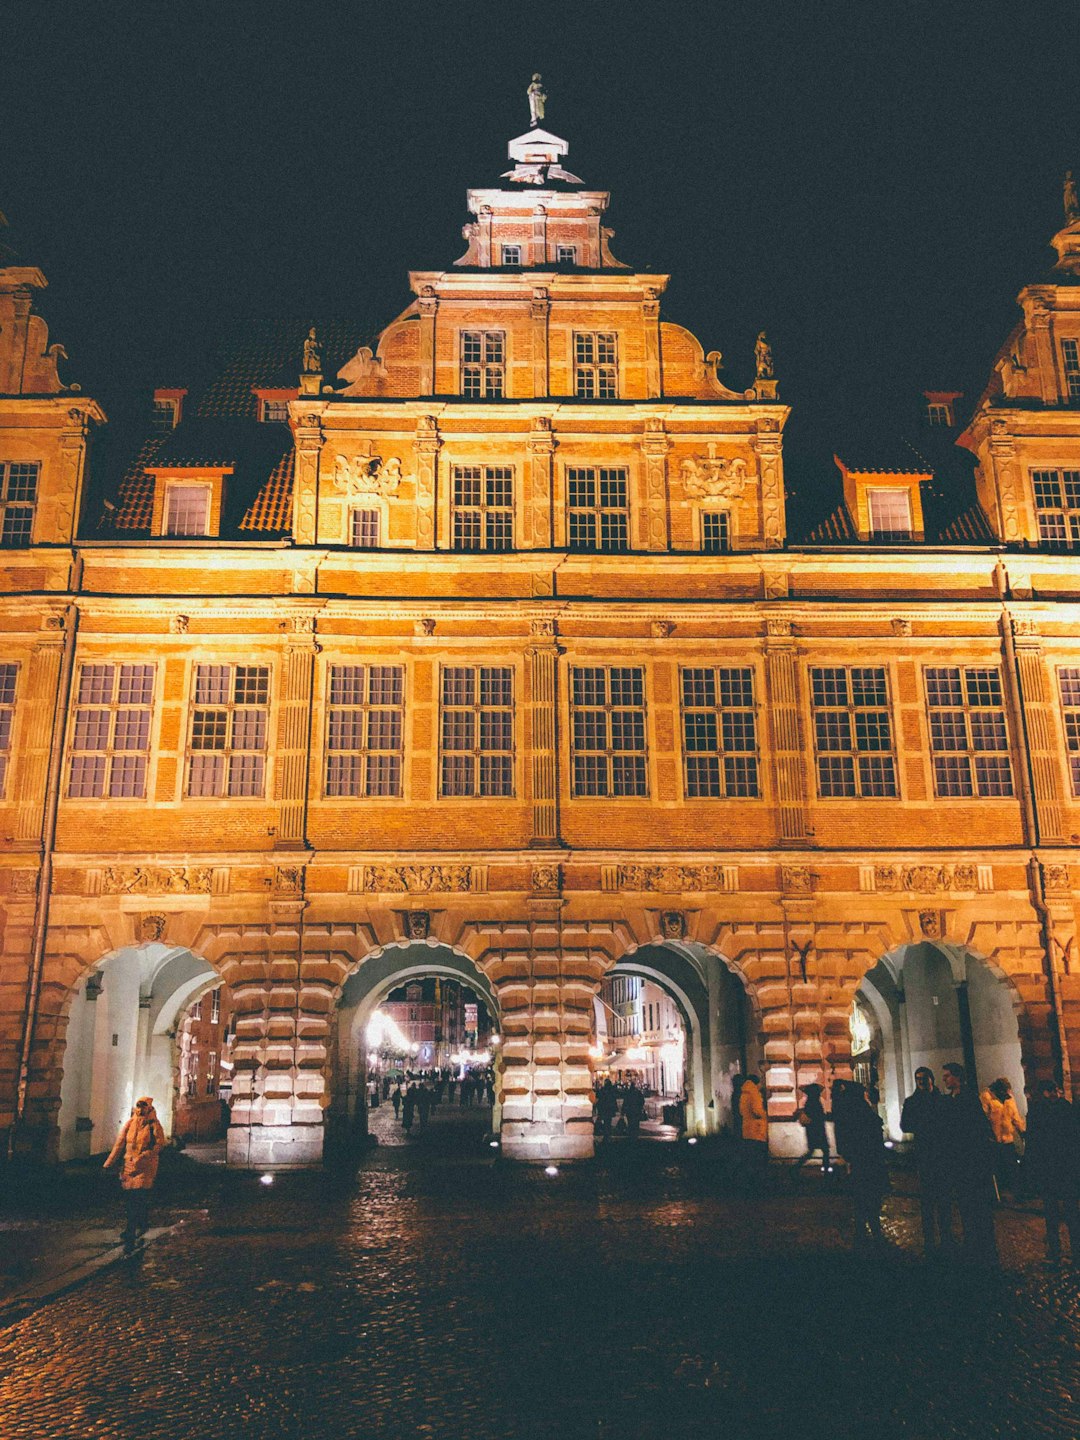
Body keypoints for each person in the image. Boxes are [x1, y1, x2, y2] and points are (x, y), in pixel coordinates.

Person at [940, 1062, 999, 1266]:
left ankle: (983, 1248)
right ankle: (971, 1244)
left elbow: (977, 1130)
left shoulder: (968, 1099)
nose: (945, 1079)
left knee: (978, 1208)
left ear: (957, 1077)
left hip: (971, 1163)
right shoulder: (948, 1101)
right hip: (957, 1163)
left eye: (947, 1076)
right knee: (965, 1206)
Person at [1025, 1080, 1080, 1266]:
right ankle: (1076, 1251)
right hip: (1067, 1169)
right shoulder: (1068, 1110)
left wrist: (1032, 1171)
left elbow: (1032, 1145)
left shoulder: (1037, 1112)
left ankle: (1055, 1252)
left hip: (1048, 1169)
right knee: (1071, 1212)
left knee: (1052, 1213)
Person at [900, 1066, 951, 1253]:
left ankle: (946, 1236)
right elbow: (905, 1125)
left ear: (931, 1078)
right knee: (928, 1199)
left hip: (943, 1153)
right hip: (924, 1154)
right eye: (918, 1079)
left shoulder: (943, 1100)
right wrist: (925, 1125)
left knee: (944, 1198)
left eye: (923, 1078)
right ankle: (929, 1238)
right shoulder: (911, 1102)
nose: (921, 1081)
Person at [103, 1096, 166, 1246]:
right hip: (129, 1165)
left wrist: (146, 1155)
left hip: (145, 1166)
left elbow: (159, 1144)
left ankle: (130, 1229)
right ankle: (142, 1222)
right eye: (138, 1106)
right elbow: (119, 1144)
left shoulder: (154, 1125)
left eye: (143, 1106)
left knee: (136, 1197)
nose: (140, 1109)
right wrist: (108, 1163)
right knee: (132, 1197)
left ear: (149, 1108)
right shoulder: (130, 1123)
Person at [844, 1082, 888, 1250]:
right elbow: (874, 1138)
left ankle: (862, 1232)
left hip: (860, 1163)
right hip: (871, 1163)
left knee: (861, 1199)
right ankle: (874, 1233)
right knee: (872, 1199)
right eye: (864, 1093)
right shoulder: (864, 1112)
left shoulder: (853, 1113)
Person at [985, 1077, 1025, 1196]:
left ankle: (1017, 1192)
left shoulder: (1009, 1099)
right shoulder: (987, 1098)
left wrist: (1023, 1131)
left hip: (1007, 1139)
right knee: (998, 1168)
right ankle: (999, 1194)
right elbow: (985, 1118)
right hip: (993, 1140)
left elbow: (1015, 1117)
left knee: (1013, 1167)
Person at [738, 1074, 768, 1187]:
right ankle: (758, 1181)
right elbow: (757, 1111)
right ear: (756, 1083)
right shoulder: (754, 1092)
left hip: (747, 1129)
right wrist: (766, 1115)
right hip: (757, 1130)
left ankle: (749, 1180)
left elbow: (741, 1111)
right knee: (758, 1157)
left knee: (749, 1157)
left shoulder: (743, 1093)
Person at [795, 1083, 830, 1174]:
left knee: (814, 1151)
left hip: (812, 1130)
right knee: (824, 1150)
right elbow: (818, 1116)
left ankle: (796, 1167)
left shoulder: (809, 1101)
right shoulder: (815, 1102)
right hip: (817, 1130)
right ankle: (825, 1170)